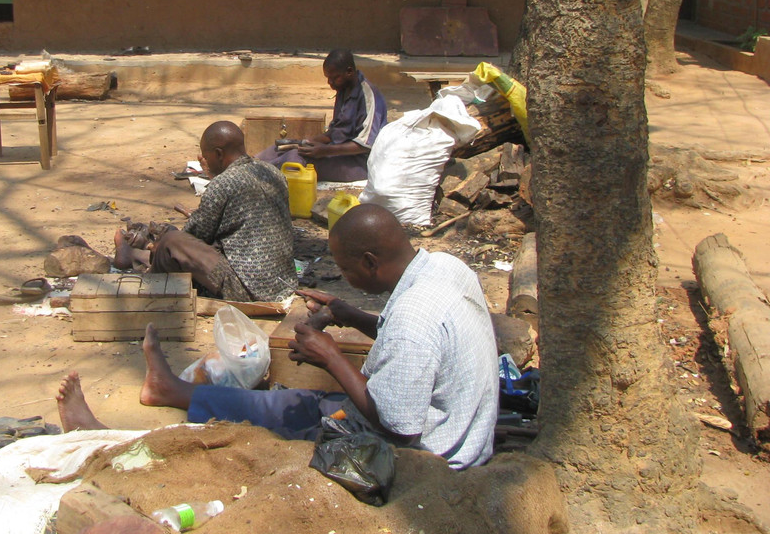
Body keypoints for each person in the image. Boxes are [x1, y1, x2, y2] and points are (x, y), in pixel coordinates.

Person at [62, 203, 498, 470]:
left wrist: (332, 358)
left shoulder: (412, 321)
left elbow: (399, 427)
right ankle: (169, 390)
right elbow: (415, 346)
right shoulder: (443, 268)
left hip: (425, 458)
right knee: (281, 403)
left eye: (346, 271)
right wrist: (350, 315)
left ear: (370, 261)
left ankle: (107, 442)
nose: (344, 278)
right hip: (451, 429)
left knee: (247, 444)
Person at [113, 121, 296, 303]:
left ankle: (147, 286)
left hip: (246, 290)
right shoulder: (273, 173)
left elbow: (195, 236)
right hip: (283, 285)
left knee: (173, 242)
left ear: (218, 154)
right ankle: (138, 256)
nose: (204, 161)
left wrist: (169, 237)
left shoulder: (224, 183)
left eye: (206, 156)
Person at [257, 49, 387, 182]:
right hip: (336, 152)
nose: (330, 82)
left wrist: (325, 151)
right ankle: (250, 167)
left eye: (334, 77)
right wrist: (307, 142)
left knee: (295, 158)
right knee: (279, 149)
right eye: (328, 78)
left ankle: (256, 178)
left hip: (359, 162)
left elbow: (365, 145)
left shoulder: (368, 96)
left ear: (349, 72)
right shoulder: (343, 89)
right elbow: (335, 133)